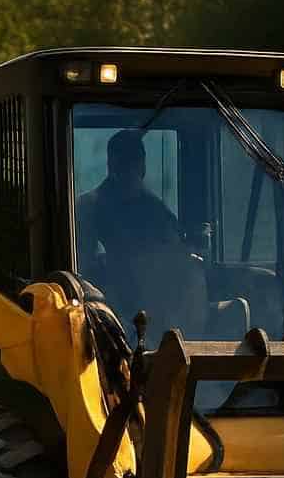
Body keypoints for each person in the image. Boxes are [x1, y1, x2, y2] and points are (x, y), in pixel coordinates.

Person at [76, 129, 207, 338]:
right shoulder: (89, 208)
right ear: (111, 166)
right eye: (122, 165)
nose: (128, 173)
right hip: (105, 324)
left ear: (142, 167)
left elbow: (178, 258)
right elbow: (82, 270)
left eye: (133, 164)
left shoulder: (157, 211)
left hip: (161, 319)